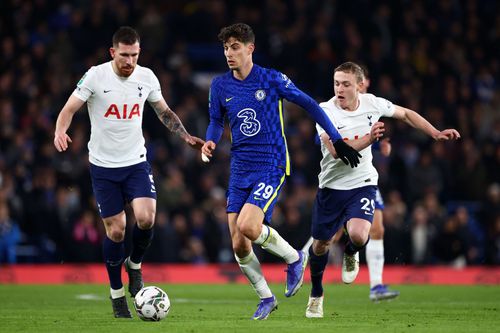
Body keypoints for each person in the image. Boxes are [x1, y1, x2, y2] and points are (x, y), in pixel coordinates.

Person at [201, 23, 360, 320]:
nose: (228, 53)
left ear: (250, 48)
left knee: (249, 226)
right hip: (239, 168)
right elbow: (214, 120)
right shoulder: (220, 86)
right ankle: (265, 297)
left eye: (235, 47)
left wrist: (336, 138)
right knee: (238, 242)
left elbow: (310, 105)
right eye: (225, 48)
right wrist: (211, 140)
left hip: (270, 163)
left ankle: (294, 257)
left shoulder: (271, 79)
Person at [53, 26, 204, 318]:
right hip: (103, 167)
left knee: (146, 219)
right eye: (124, 55)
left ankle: (134, 264)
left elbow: (164, 112)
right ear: (113, 52)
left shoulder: (146, 77)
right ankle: (117, 294)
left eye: (134, 55)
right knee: (118, 229)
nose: (129, 61)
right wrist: (60, 130)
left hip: (135, 162)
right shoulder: (96, 75)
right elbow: (69, 108)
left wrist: (185, 136)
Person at [305, 61, 460, 318]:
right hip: (331, 187)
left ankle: (351, 253)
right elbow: (336, 151)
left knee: (359, 235)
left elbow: (407, 114)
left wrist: (435, 133)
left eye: (345, 84)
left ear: (359, 86)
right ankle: (316, 294)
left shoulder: (372, 103)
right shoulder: (324, 111)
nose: (339, 89)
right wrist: (370, 139)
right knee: (321, 245)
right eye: (336, 83)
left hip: (363, 183)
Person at [360, 67, 400, 301]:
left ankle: (376, 286)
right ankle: (298, 264)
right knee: (330, 235)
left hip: (366, 178)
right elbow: (320, 137)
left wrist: (379, 145)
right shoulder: (337, 106)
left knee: (377, 228)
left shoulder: (373, 106)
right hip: (340, 180)